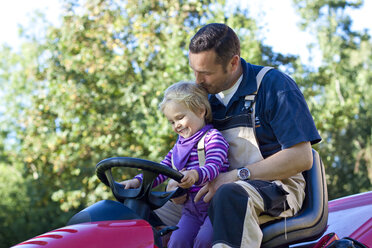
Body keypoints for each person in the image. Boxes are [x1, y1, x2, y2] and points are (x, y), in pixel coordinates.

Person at [155, 23, 322, 248]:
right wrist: (175, 187)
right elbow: (184, 153)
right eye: (194, 70)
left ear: (233, 63)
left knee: (230, 195)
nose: (197, 81)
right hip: (210, 191)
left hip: (277, 190)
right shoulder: (205, 100)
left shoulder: (273, 86)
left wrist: (234, 176)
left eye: (205, 73)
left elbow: (302, 157)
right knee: (146, 209)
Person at [120, 81, 230, 248]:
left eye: (180, 118)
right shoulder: (178, 147)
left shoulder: (212, 138)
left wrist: (195, 174)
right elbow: (160, 170)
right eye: (171, 121)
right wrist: (137, 181)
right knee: (177, 241)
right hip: (190, 211)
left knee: (204, 240)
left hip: (213, 206)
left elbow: (214, 166)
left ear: (201, 111)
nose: (176, 125)